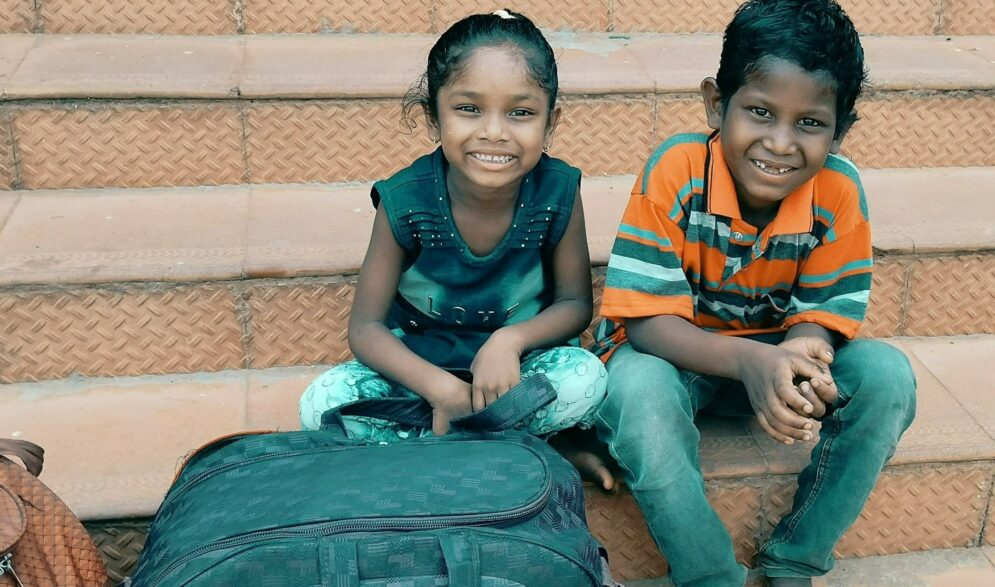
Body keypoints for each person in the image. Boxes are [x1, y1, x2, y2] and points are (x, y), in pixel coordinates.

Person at [591, 1, 917, 585]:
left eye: (810, 123)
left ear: (841, 130)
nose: (781, 143)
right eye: (760, 112)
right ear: (718, 103)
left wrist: (802, 360)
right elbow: (646, 325)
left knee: (888, 377)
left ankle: (796, 557)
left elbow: (821, 314)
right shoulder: (678, 168)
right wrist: (755, 360)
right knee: (637, 391)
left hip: (767, 358)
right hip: (672, 357)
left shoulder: (838, 190)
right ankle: (710, 574)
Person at [299, 9, 609, 483]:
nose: (494, 132)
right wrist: (440, 388)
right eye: (469, 109)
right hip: (422, 376)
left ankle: (445, 448)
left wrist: (510, 341)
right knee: (322, 403)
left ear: (550, 122)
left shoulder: (557, 192)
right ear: (433, 116)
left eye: (521, 113)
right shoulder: (407, 201)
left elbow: (574, 304)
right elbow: (365, 328)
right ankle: (512, 445)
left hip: (514, 376)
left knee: (586, 379)